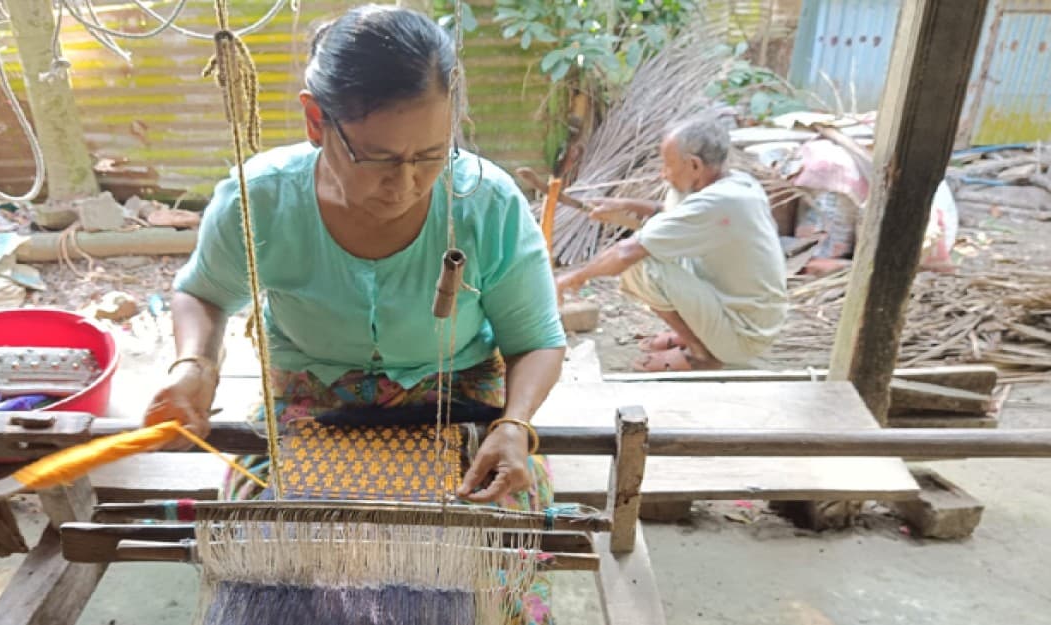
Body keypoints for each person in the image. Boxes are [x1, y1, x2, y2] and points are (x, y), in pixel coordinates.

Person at [144, 6, 566, 622]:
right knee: (265, 570)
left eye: (431, 154)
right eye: (379, 157)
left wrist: (514, 425)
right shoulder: (260, 199)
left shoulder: (486, 203)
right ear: (316, 120)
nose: (408, 183)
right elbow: (203, 294)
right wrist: (194, 365)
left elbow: (536, 341)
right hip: (311, 408)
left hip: (461, 407)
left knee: (491, 575)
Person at [557, 115, 787, 371]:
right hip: (749, 316)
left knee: (640, 264)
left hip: (743, 335)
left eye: (668, 165)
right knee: (665, 225)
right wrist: (624, 205)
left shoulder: (719, 203)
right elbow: (675, 212)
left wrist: (573, 278)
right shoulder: (737, 183)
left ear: (695, 165)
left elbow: (626, 253)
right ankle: (699, 334)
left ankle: (702, 354)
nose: (663, 173)